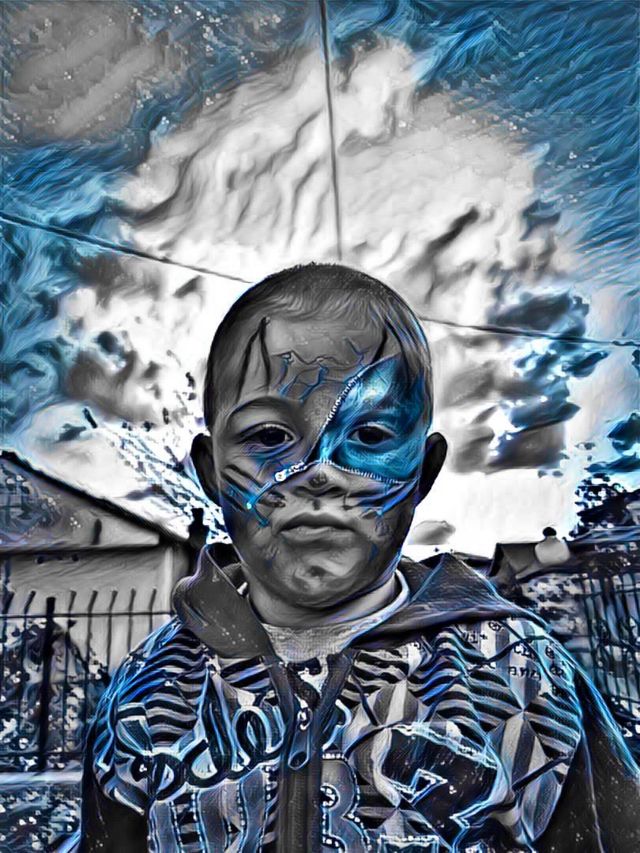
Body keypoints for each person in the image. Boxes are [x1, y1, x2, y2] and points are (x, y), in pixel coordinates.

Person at [80, 264, 639, 852]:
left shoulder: (521, 676)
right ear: (210, 471)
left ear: (424, 470)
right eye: (269, 436)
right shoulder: (151, 689)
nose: (319, 471)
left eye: (369, 435)